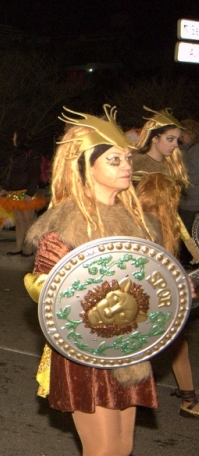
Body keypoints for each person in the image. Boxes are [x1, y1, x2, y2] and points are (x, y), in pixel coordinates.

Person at [24, 105, 164, 456]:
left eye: (128, 159)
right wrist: (89, 293)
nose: (127, 167)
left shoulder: (140, 222)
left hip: (131, 348)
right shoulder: (64, 224)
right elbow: (42, 285)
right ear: (87, 165)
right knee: (102, 450)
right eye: (114, 160)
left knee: (122, 447)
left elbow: (153, 286)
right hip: (87, 350)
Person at [131, 107, 199, 419]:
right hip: (146, 257)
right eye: (170, 139)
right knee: (160, 330)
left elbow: (172, 219)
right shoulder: (138, 168)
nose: (176, 144)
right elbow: (138, 218)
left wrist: (191, 248)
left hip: (167, 253)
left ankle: (187, 395)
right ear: (154, 138)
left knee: (174, 331)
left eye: (177, 139)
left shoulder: (170, 169)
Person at [0, 127, 46, 257]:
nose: (13, 139)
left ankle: (29, 247)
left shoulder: (33, 154)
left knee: (28, 219)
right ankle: (18, 246)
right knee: (19, 220)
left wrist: (30, 193)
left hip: (27, 191)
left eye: (14, 136)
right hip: (14, 190)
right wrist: (5, 187)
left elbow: (34, 174)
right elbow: (11, 173)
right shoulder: (15, 153)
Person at [178, 118, 199, 232]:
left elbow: (192, 172)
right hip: (187, 203)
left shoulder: (196, 150)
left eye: (183, 132)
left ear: (191, 133)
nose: (180, 135)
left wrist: (177, 161)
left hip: (193, 204)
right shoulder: (187, 149)